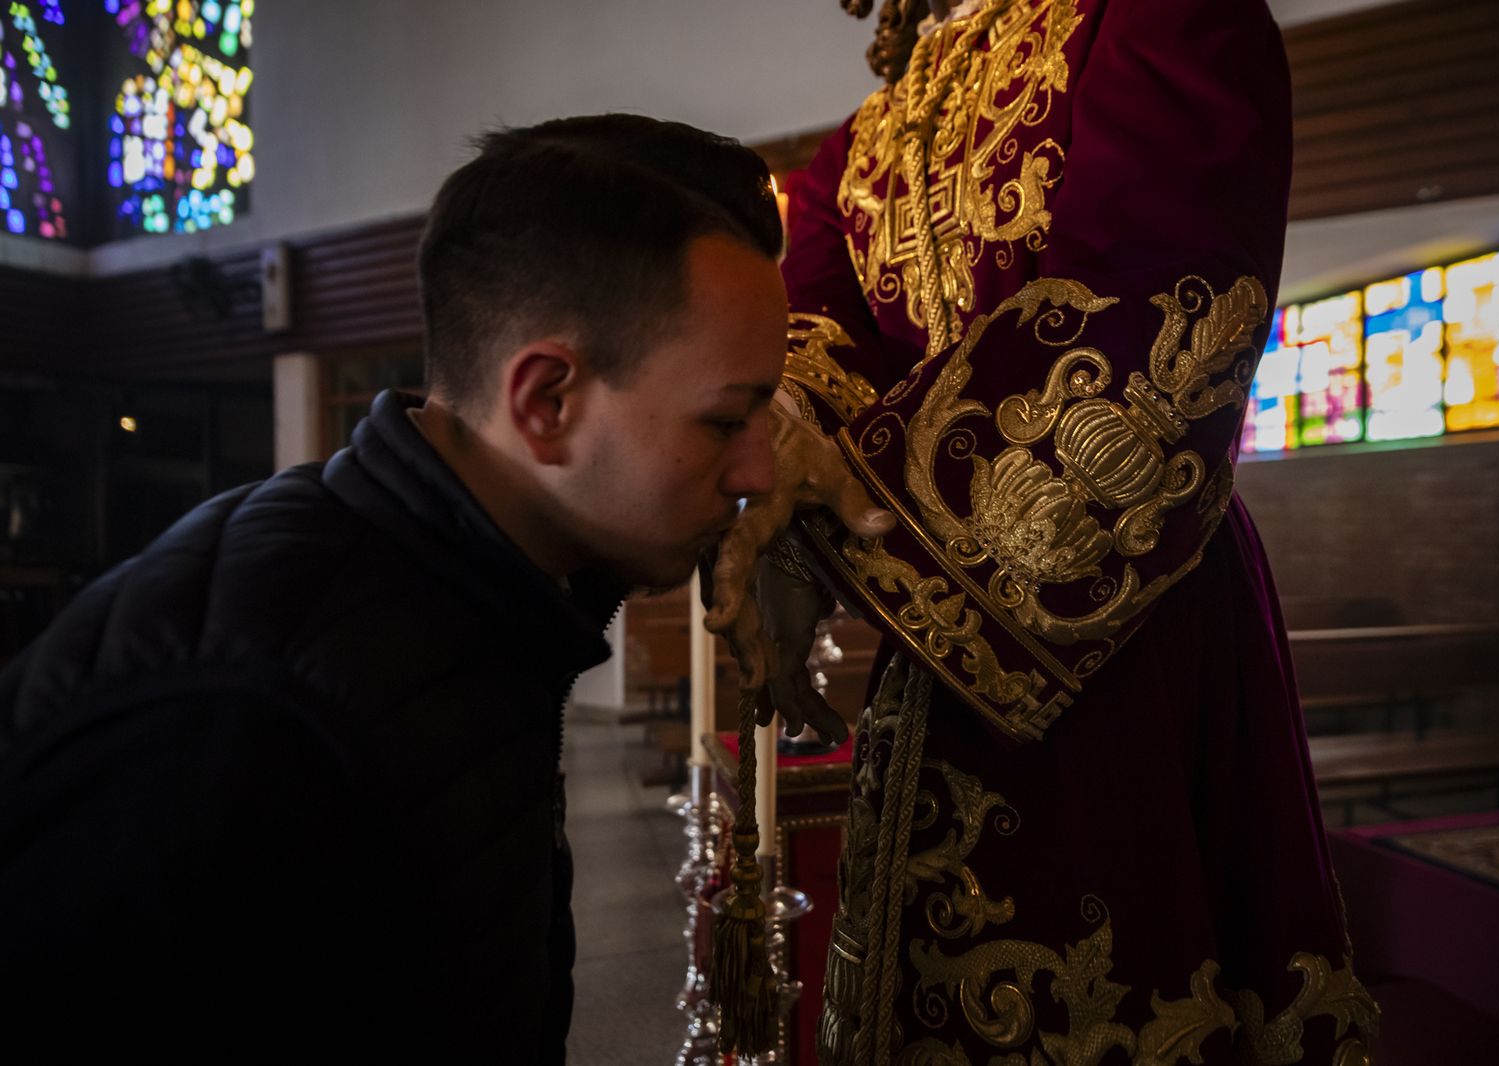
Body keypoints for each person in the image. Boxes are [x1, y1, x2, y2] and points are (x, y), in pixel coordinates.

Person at [0, 114, 884, 1063]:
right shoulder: (240, 712)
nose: (759, 470)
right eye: (727, 419)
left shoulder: (480, 603)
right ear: (546, 402)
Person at [708, 1, 1382, 1063]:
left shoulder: (1157, 19)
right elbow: (807, 343)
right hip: (927, 636)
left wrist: (845, 493)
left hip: (1139, 609)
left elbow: (1157, 294)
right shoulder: (862, 146)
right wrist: (781, 502)